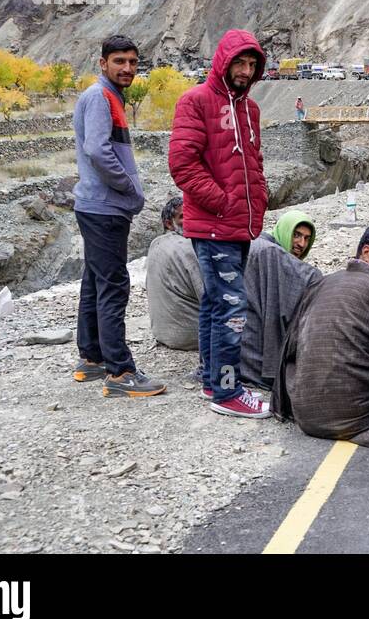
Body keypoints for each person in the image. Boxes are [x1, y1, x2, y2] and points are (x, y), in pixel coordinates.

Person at [169, 28, 271, 419]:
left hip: (239, 224)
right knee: (232, 306)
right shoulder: (195, 101)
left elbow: (253, 162)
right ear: (223, 62)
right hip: (213, 224)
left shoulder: (250, 109)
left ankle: (212, 380)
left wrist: (257, 198)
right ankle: (228, 393)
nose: (245, 71)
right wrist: (224, 202)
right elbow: (182, 164)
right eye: (239, 63)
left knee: (216, 302)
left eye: (251, 64)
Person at [273, 224, 369, 446]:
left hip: (307, 416)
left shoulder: (321, 283)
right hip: (356, 416)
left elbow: (290, 349)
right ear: (367, 251)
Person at [72, 35, 163, 397]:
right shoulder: (99, 96)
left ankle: (91, 358)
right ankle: (120, 371)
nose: (127, 68)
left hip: (96, 206)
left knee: (95, 281)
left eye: (132, 62)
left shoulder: (108, 96)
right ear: (103, 63)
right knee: (113, 285)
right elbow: (97, 149)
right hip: (105, 207)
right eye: (119, 61)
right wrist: (129, 187)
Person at [239, 210, 322, 390]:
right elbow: (314, 279)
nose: (301, 244)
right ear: (284, 230)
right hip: (251, 351)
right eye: (297, 235)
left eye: (307, 239)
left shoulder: (258, 243)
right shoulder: (271, 252)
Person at [146, 196, 203, 351]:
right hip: (190, 335)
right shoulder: (187, 248)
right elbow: (209, 297)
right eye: (183, 216)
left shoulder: (155, 244)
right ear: (169, 224)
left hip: (162, 332)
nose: (191, 219)